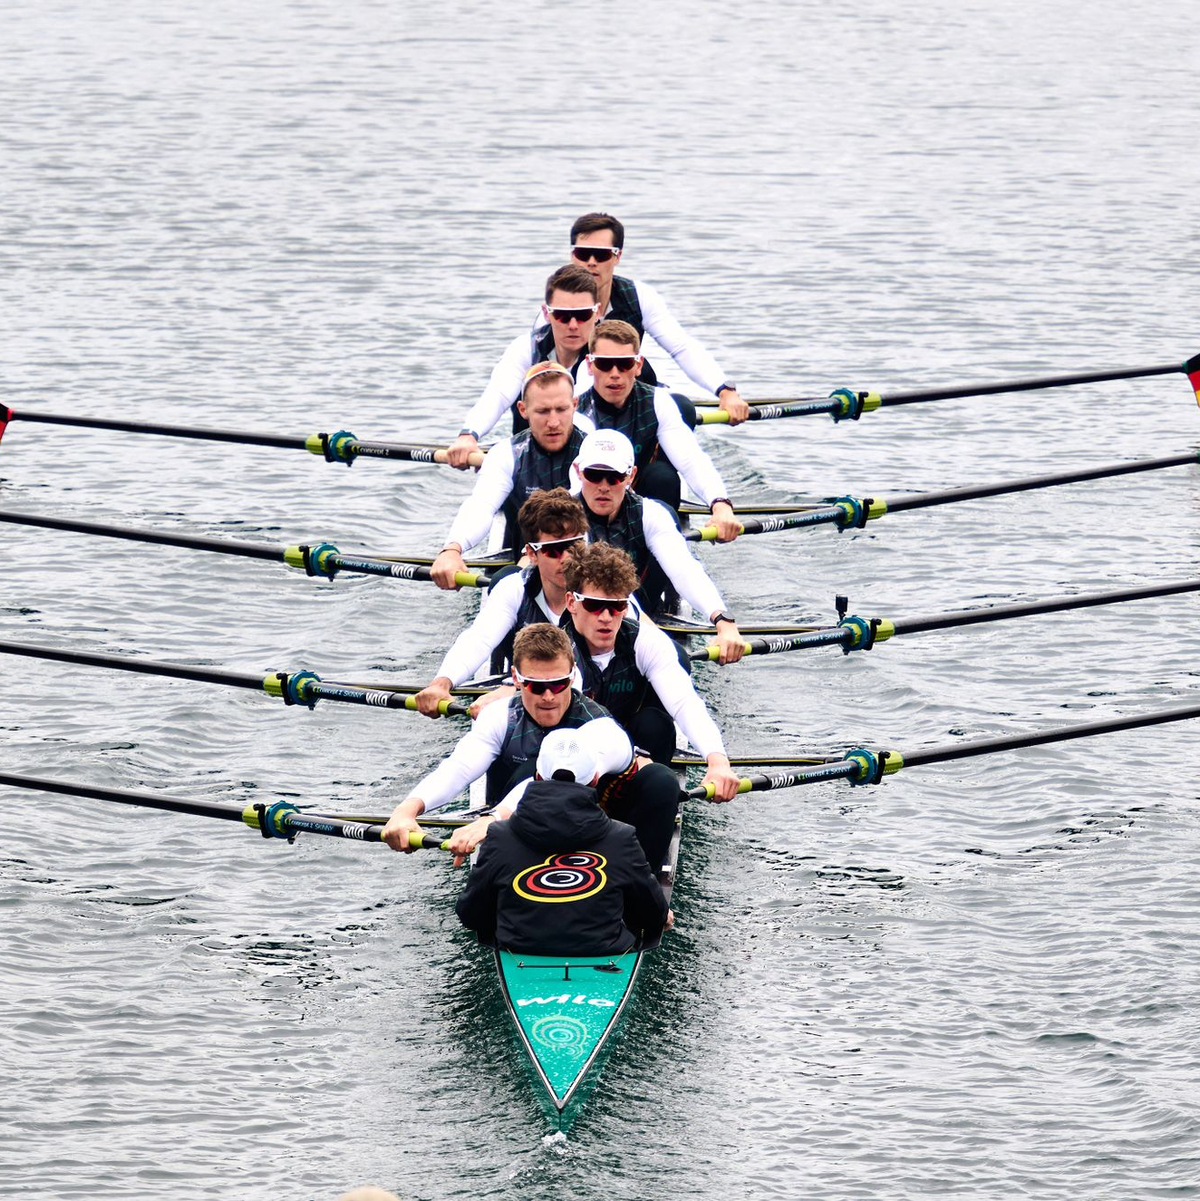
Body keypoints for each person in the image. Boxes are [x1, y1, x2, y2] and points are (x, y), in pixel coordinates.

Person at [381, 624, 682, 872]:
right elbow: (458, 767)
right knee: (525, 767)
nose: (548, 696)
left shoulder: (601, 727)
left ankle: (642, 882)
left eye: (559, 684)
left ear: (573, 676)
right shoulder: (500, 716)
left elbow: (551, 779)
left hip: (596, 830)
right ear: (515, 678)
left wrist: (493, 819)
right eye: (536, 686)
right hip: (527, 832)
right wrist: (407, 810)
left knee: (662, 781)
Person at [454, 729, 670, 956]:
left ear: (537, 776)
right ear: (595, 779)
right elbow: (651, 916)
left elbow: (471, 915)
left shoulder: (499, 836)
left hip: (517, 950)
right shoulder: (622, 838)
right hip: (606, 952)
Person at [561, 541, 740, 799]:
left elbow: (685, 703)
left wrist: (717, 761)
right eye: (594, 605)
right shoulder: (557, 650)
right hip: (575, 753)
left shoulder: (645, 641)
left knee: (656, 726)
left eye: (617, 606)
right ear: (571, 602)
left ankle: (650, 797)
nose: (606, 617)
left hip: (636, 754)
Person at [571, 429, 746, 664]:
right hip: (577, 616)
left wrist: (722, 620)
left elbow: (684, 568)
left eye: (614, 477)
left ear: (631, 476)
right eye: (594, 475)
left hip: (629, 608)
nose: (603, 486)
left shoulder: (651, 514)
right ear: (578, 472)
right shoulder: (563, 517)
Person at [416, 489, 589, 716]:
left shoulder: (601, 593)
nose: (566, 559)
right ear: (532, 554)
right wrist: (442, 683)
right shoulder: (514, 588)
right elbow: (479, 639)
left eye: (572, 546)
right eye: (553, 551)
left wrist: (511, 690)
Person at [567, 212, 750, 425]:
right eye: (583, 253)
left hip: (627, 397)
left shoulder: (639, 297)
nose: (591, 262)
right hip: (573, 400)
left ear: (617, 257)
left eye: (602, 255)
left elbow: (681, 347)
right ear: (572, 256)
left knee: (677, 403)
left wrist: (725, 391)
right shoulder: (557, 305)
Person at [431, 363, 590, 589]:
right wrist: (452, 549)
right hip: (529, 559)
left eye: (561, 409)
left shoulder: (594, 452)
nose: (553, 422)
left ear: (574, 405)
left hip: (586, 563)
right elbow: (481, 504)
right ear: (523, 410)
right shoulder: (507, 454)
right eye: (543, 411)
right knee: (506, 578)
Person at [578, 318, 740, 538]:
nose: (615, 373)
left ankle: (659, 538)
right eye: (605, 364)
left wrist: (720, 504)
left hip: (634, 492)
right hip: (586, 497)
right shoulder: (573, 407)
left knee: (663, 478)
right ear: (590, 365)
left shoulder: (657, 401)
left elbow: (691, 459)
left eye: (624, 364)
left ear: (638, 366)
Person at [447, 265, 599, 467]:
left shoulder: (609, 357)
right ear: (546, 313)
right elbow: (498, 395)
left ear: (597, 313)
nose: (573, 325)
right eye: (562, 315)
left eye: (583, 315)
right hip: (529, 459)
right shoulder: (526, 348)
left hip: (592, 462)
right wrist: (469, 435)